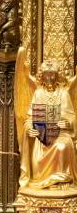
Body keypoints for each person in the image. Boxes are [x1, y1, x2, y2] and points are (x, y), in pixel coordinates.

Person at [19, 60, 77, 189]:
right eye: (46, 74)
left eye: (52, 74)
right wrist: (30, 129)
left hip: (62, 134)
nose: (49, 78)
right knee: (38, 156)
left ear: (57, 76)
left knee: (62, 147)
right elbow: (29, 119)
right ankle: (43, 179)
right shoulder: (38, 93)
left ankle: (61, 180)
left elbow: (72, 116)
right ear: (42, 76)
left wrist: (67, 123)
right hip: (43, 136)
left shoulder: (63, 93)